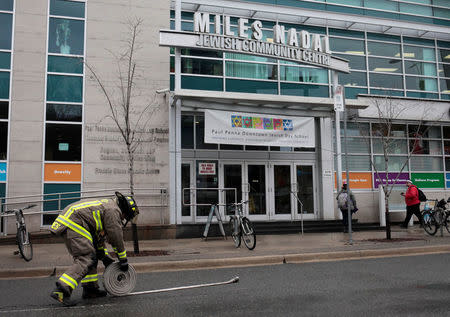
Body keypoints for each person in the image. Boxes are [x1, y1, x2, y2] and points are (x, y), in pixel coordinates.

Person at [49, 192, 139, 306]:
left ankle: (90, 289)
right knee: (86, 257)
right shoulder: (113, 211)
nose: (125, 219)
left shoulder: (110, 206)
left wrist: (104, 256)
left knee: (93, 255)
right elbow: (116, 237)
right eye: (127, 216)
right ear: (124, 211)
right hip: (74, 223)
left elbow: (98, 238)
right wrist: (123, 259)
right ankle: (61, 290)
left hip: (74, 222)